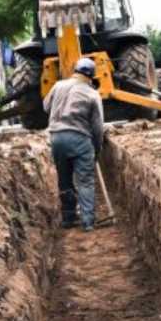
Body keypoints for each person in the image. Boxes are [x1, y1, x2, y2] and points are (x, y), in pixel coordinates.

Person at [43, 58, 105, 232]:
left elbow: (46, 106)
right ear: (91, 77)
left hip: (56, 138)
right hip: (80, 138)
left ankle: (68, 218)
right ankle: (87, 221)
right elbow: (97, 126)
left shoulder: (58, 86)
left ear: (75, 71)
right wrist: (97, 148)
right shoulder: (92, 94)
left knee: (64, 181)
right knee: (85, 181)